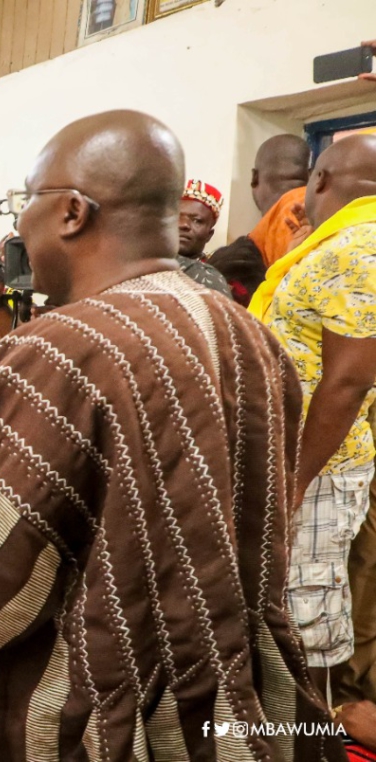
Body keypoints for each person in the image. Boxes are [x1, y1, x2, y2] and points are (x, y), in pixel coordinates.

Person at [0, 110, 340, 761]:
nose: (18, 225)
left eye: (24, 203)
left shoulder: (61, 349)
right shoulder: (248, 336)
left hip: (95, 712)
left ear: (73, 213)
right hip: (227, 703)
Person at [250, 132, 376, 747]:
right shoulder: (342, 242)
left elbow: (347, 380)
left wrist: (291, 480)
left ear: (319, 181)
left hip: (316, 472)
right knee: (293, 613)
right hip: (303, 465)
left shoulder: (362, 243)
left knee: (307, 622)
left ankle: (307, 743)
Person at [248, 135, 312, 267]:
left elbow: (286, 285)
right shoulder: (319, 207)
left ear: (254, 177)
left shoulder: (290, 219)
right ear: (310, 175)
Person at [175, 179, 232, 296]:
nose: (184, 224)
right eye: (177, 217)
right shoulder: (142, 266)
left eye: (197, 221)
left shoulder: (214, 279)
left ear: (209, 235)